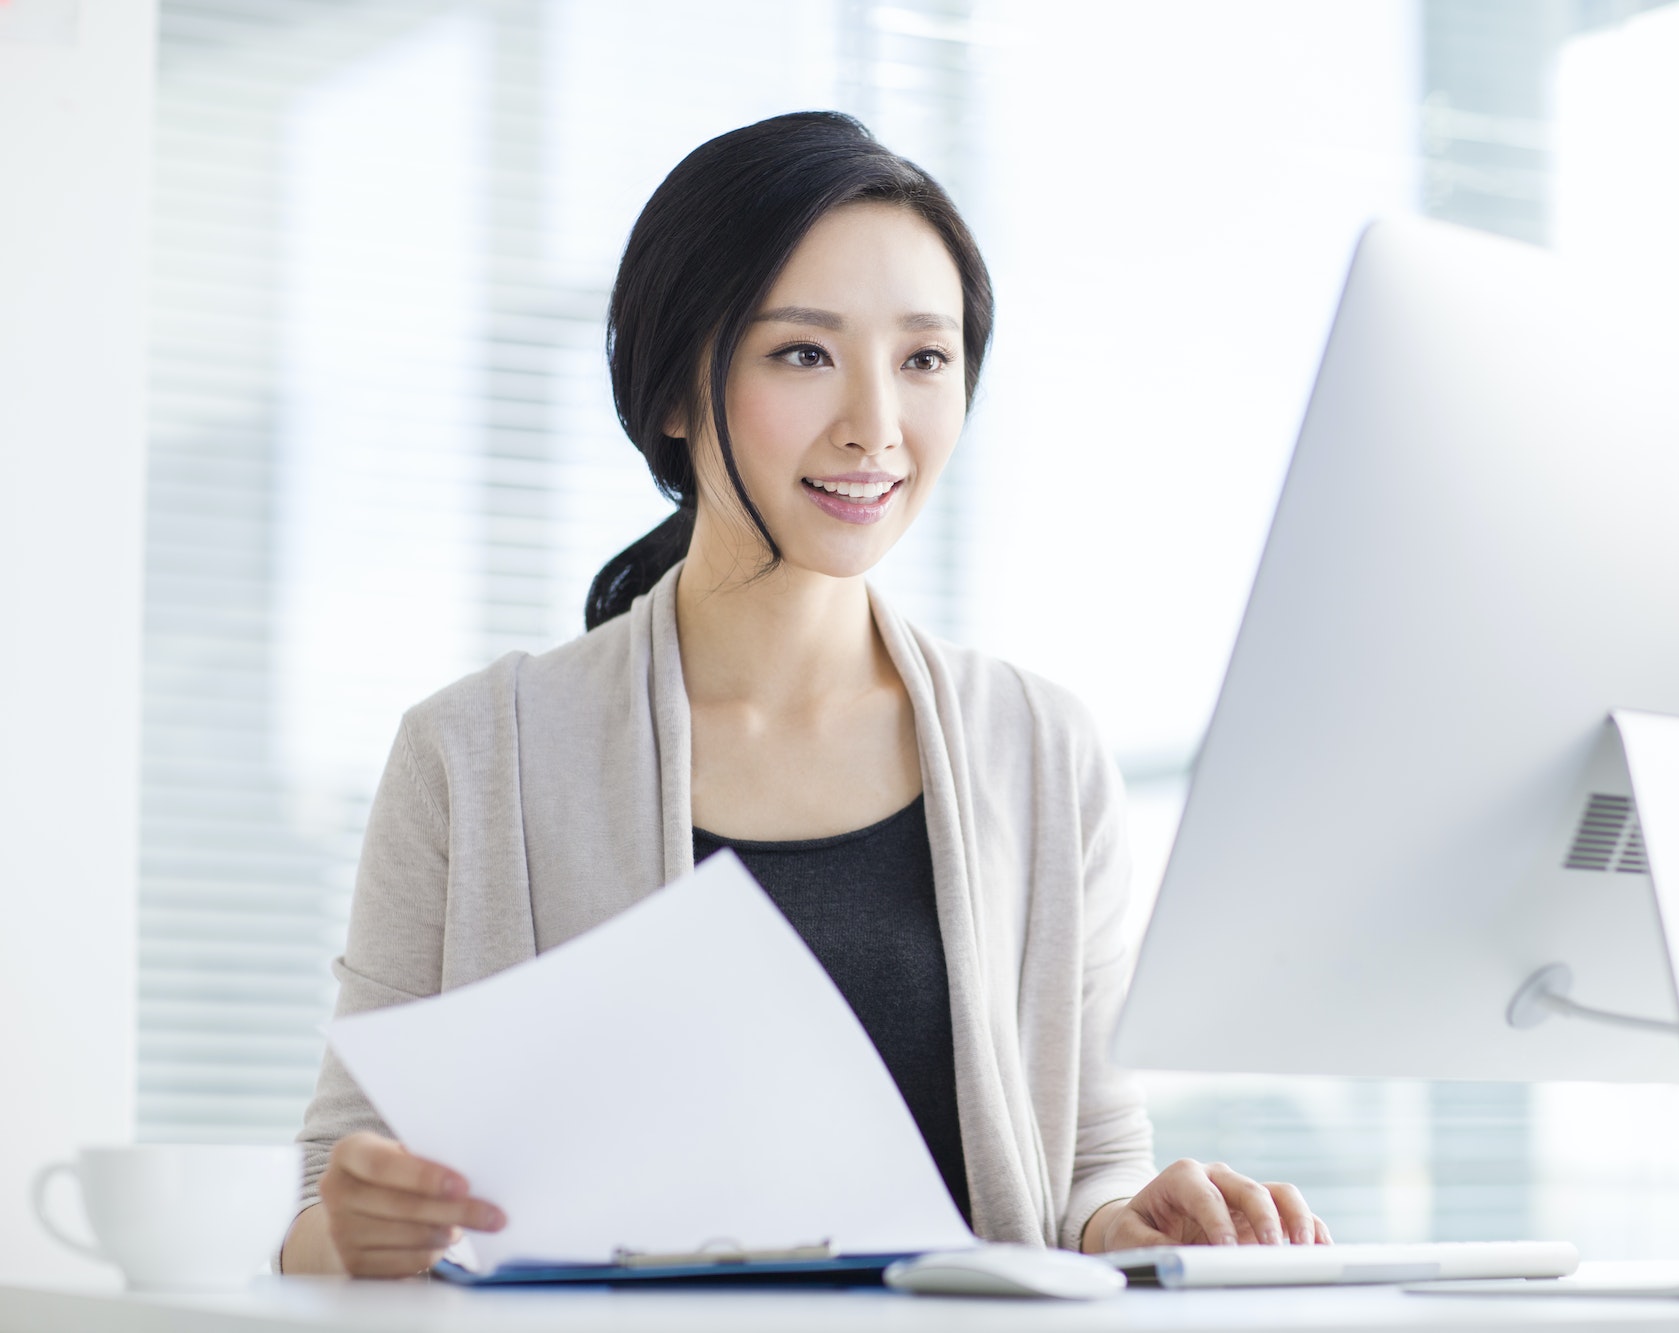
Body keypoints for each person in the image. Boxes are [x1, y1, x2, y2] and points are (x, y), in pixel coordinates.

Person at [279, 110, 1330, 1278]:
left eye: (923, 359)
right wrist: (358, 1229)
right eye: (802, 353)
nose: (875, 427)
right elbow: (332, 1191)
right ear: (675, 391)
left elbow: (1089, 1155)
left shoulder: (1037, 748)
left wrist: (1125, 1219)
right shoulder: (472, 755)